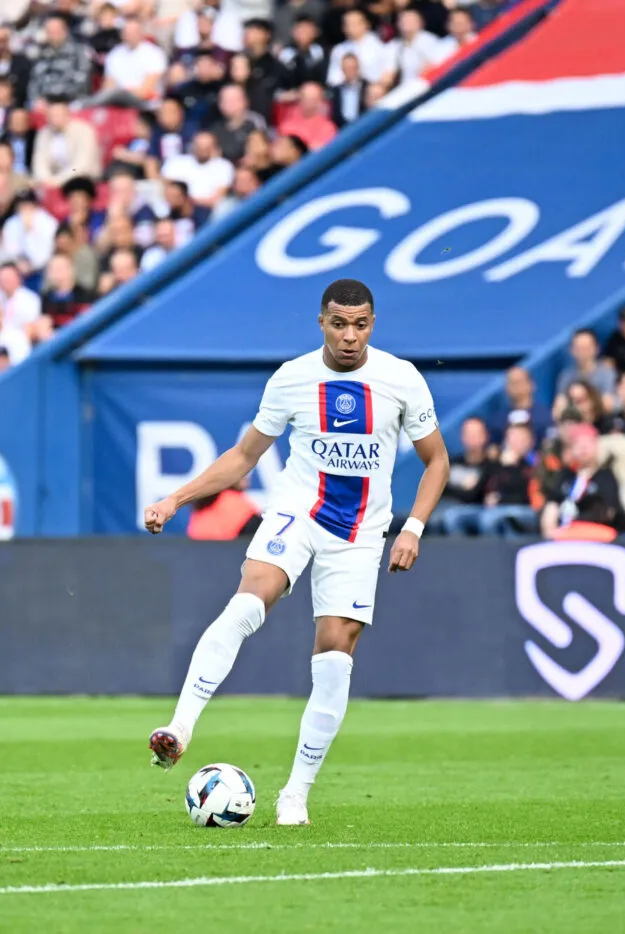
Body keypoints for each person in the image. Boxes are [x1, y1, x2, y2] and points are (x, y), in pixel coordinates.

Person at [141, 279, 450, 826]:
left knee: (333, 658)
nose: (350, 335)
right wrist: (175, 500)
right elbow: (243, 458)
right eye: (339, 323)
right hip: (297, 512)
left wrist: (415, 528)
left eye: (360, 324)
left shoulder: (401, 379)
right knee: (249, 597)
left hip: (360, 534)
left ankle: (295, 795)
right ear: (321, 323)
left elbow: (437, 462)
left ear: (373, 324)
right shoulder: (293, 378)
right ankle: (181, 727)